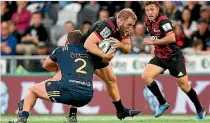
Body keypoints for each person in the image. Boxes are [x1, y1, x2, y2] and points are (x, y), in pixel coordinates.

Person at [9, 30, 113, 123]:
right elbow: (104, 62)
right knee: (76, 79)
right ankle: (72, 115)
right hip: (87, 95)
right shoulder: (91, 53)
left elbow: (45, 65)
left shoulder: (62, 50)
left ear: (67, 41)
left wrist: (58, 67)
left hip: (68, 90)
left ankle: (22, 117)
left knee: (32, 90)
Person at [67, 8, 140, 122]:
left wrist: (119, 44)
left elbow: (127, 49)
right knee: (82, 83)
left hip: (97, 55)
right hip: (83, 53)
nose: (131, 27)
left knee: (111, 79)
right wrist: (104, 55)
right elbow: (88, 44)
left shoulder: (125, 29)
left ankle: (121, 111)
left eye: (132, 25)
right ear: (120, 21)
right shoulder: (107, 27)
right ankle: (72, 114)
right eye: (129, 24)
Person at [142, 1, 206, 120]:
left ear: (157, 9)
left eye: (152, 9)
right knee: (146, 76)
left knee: (184, 86)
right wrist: (153, 47)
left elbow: (171, 38)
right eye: (147, 10)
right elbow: (154, 36)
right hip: (160, 56)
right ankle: (162, 103)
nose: (149, 12)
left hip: (174, 57)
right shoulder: (147, 22)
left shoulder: (163, 20)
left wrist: (153, 42)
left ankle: (199, 108)